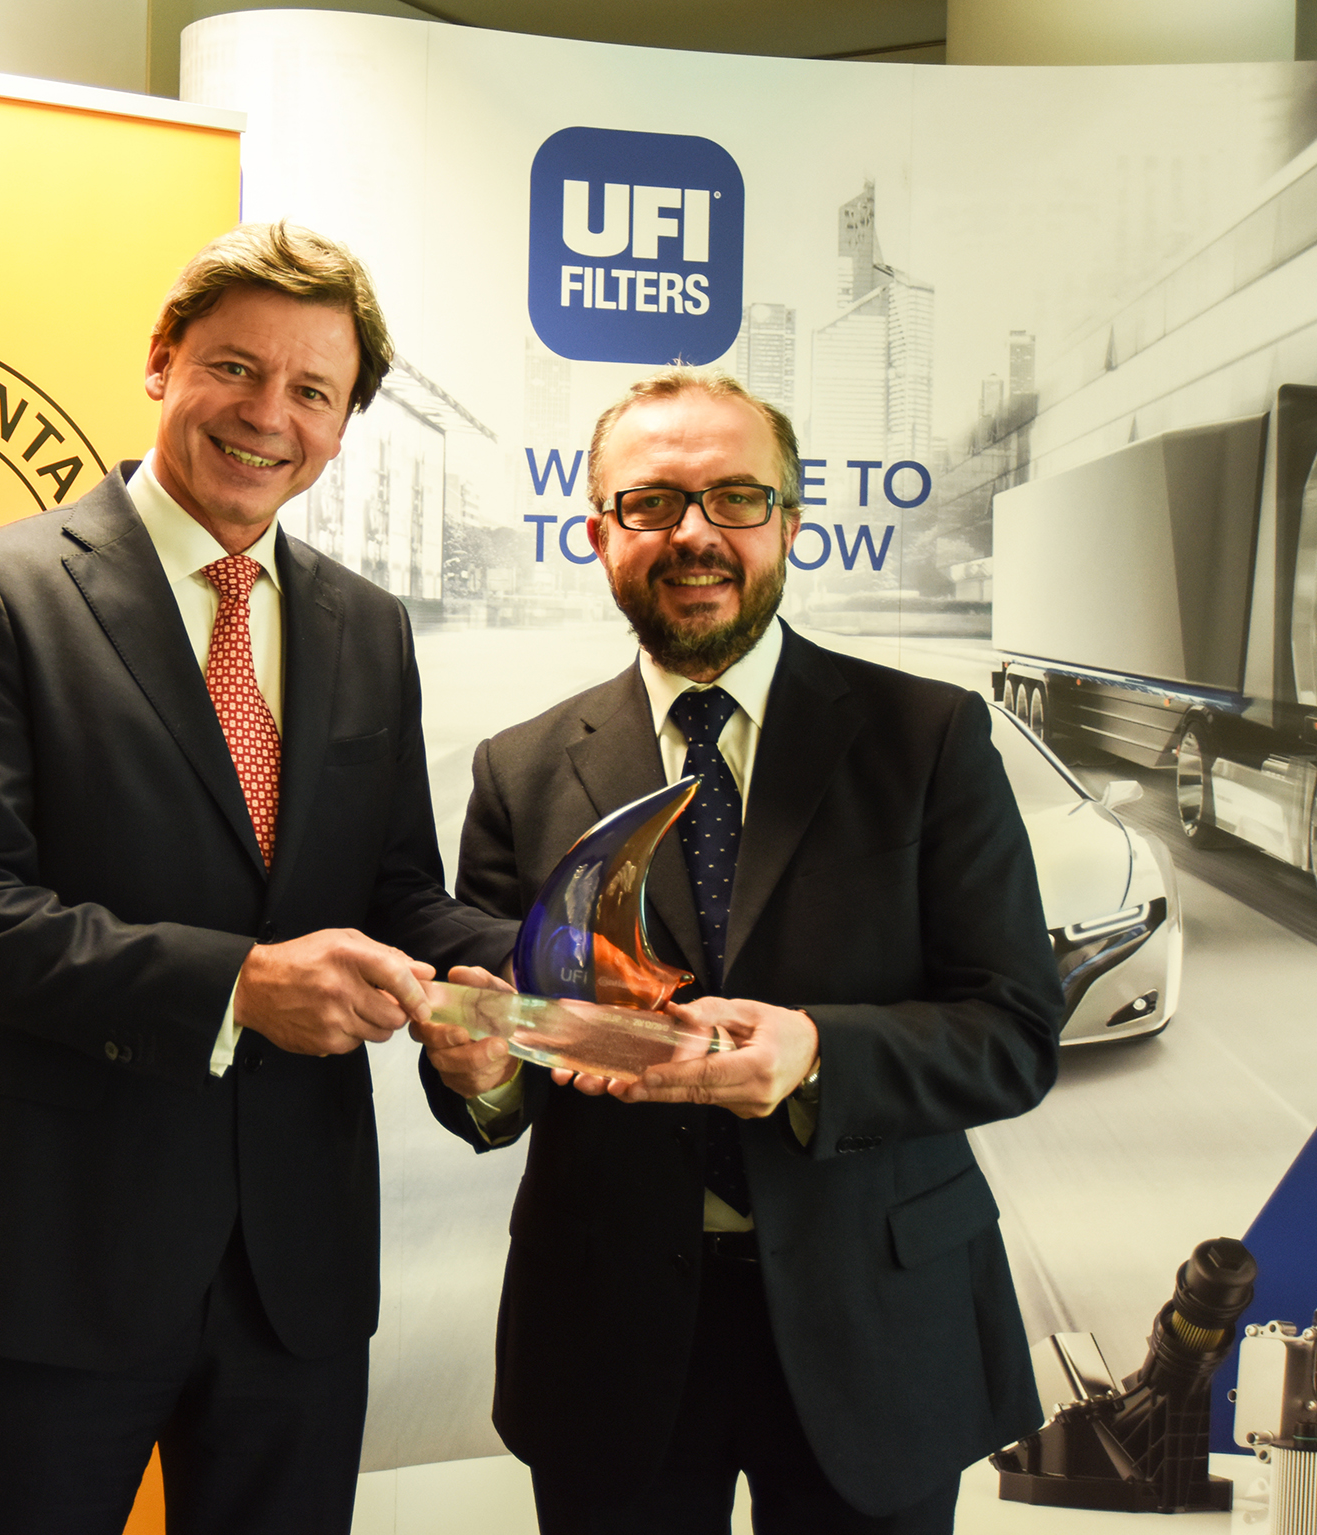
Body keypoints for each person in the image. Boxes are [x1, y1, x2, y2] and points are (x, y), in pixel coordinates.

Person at [0, 222, 515, 1535]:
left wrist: (524, 970)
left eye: (312, 390)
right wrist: (240, 985)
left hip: (297, 1263)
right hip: (57, 1249)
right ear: (162, 361)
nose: (268, 414)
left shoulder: (367, 624)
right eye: (235, 367)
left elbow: (396, 888)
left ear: (341, 424)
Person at [414, 367, 1064, 1534]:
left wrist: (812, 1053)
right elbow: (504, 1040)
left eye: (735, 497)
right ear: (598, 532)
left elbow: (1012, 1031)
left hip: (879, 1321)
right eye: (651, 501)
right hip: (606, 1331)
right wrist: (483, 1066)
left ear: (790, 523)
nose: (695, 533)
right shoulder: (519, 769)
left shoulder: (927, 737)